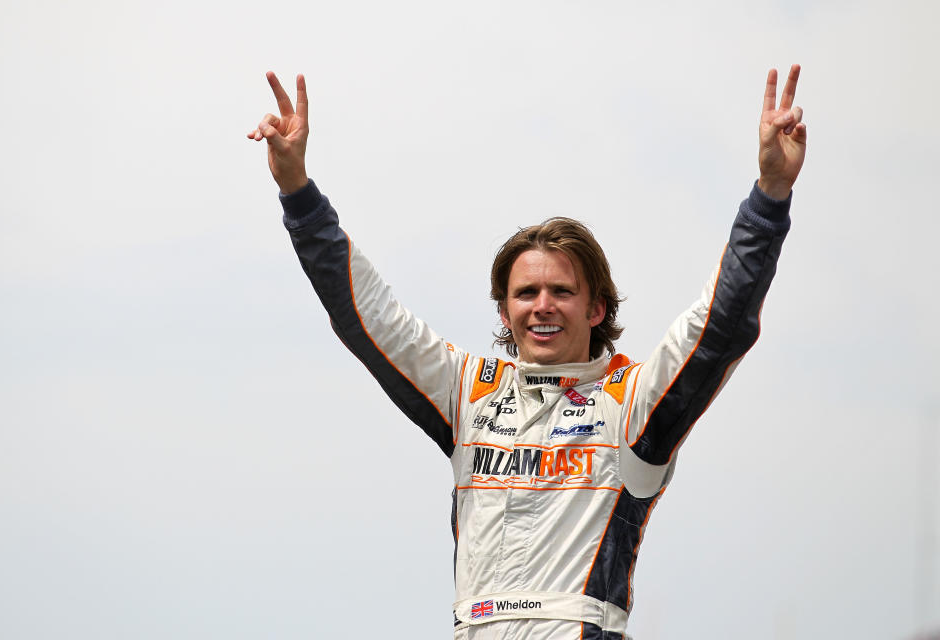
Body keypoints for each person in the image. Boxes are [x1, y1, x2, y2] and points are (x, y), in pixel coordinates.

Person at [248, 66, 806, 640]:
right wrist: (299, 193)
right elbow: (366, 313)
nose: (543, 306)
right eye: (526, 293)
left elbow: (719, 326)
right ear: (503, 312)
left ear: (597, 309)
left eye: (562, 291)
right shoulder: (468, 390)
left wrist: (769, 198)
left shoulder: (634, 400)